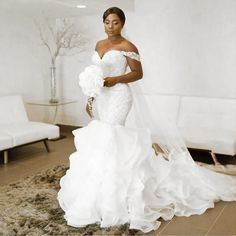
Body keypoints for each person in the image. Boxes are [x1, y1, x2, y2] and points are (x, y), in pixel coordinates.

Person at [57, 7, 236, 233]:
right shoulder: (98, 45)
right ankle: (97, 192)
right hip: (101, 97)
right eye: (107, 22)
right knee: (101, 138)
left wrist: (115, 80)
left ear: (122, 24)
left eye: (115, 22)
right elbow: (95, 75)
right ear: (103, 24)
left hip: (119, 96)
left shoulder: (128, 46)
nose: (111, 26)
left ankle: (118, 196)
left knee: (112, 135)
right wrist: (91, 98)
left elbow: (137, 74)